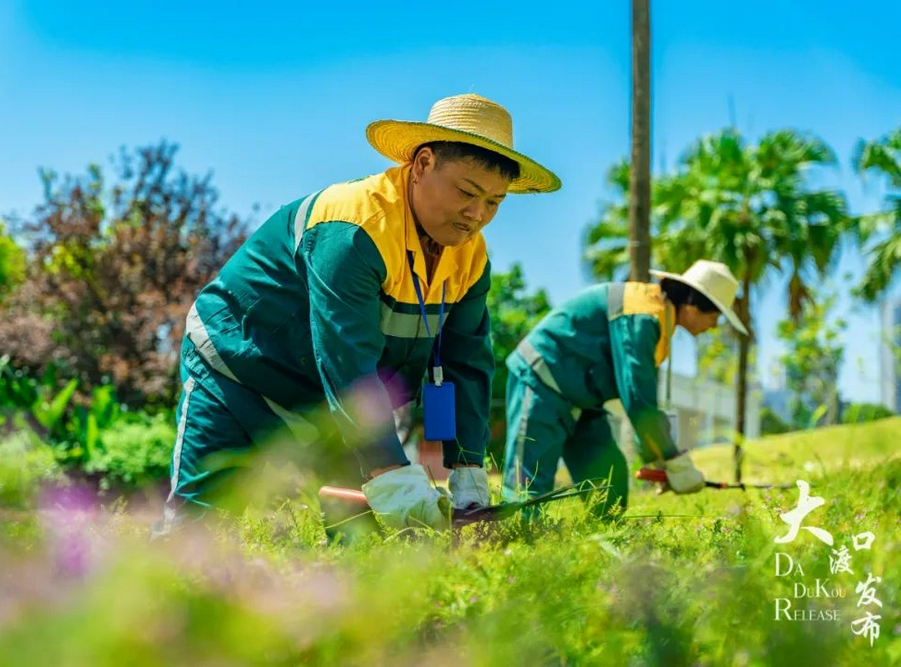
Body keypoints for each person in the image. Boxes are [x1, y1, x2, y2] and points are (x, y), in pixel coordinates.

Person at [160, 93, 560, 533]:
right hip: (238, 366)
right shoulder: (352, 230)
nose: (476, 215)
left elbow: (466, 364)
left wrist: (467, 475)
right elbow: (349, 361)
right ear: (422, 164)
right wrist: (391, 473)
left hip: (327, 399)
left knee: (366, 540)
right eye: (467, 192)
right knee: (197, 532)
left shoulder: (471, 257)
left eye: (494, 203)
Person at [500, 260, 747, 516]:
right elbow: (639, 401)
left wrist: (660, 461)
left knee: (608, 477)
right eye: (715, 316)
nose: (715, 326)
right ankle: (516, 543)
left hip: (582, 400)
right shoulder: (642, 315)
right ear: (694, 306)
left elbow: (640, 402)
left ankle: (608, 545)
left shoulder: (658, 318)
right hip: (542, 380)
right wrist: (675, 460)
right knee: (528, 483)